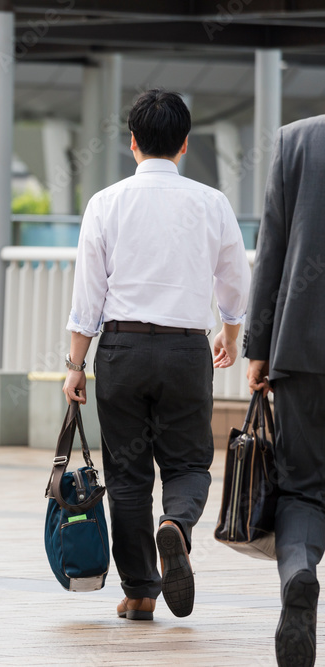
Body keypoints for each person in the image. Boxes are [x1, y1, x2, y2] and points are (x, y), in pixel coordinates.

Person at [62, 89, 250, 622]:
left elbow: (88, 295)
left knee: (126, 475)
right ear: (185, 144)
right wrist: (230, 334)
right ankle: (177, 525)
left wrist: (76, 365)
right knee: (189, 462)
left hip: (121, 349)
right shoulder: (211, 202)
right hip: (186, 349)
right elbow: (236, 280)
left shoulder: (106, 202)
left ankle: (141, 591)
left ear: (132, 142)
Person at [245, 114, 325, 666]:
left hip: (301, 347)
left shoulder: (297, 139)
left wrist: (258, 346)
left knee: (301, 488)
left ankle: (299, 569)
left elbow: (270, 244)